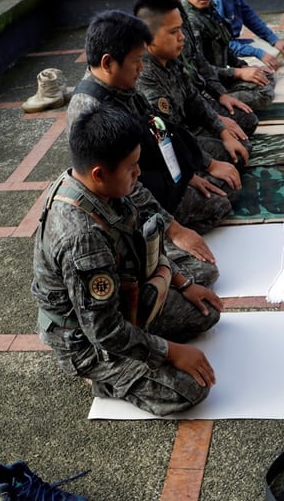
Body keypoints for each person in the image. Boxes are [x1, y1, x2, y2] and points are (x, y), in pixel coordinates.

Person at [32, 103, 221, 416]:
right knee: (192, 388)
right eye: (132, 166)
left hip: (122, 299)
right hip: (86, 341)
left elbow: (139, 240)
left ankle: (144, 339)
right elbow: (103, 331)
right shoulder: (82, 239)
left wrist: (182, 282)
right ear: (99, 173)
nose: (138, 172)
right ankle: (101, 378)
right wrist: (170, 352)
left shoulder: (106, 185)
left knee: (207, 312)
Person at [67, 11, 240, 241]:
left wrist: (186, 172)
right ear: (108, 63)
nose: (141, 68)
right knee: (205, 268)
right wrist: (174, 230)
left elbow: (158, 128)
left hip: (154, 176)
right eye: (136, 61)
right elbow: (126, 188)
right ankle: (157, 247)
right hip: (127, 204)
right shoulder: (91, 110)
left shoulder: (122, 85)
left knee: (227, 189)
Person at [138, 0, 258, 136]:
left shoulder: (180, 14)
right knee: (234, 147)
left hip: (193, 96)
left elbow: (198, 62)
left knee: (247, 122)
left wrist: (220, 95)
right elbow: (165, 123)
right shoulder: (147, 36)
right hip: (173, 118)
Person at [134, 0, 252, 169]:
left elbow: (193, 98)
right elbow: (168, 134)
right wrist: (210, 165)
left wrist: (222, 130)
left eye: (180, 28)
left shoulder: (170, 57)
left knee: (244, 130)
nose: (181, 37)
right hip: (171, 144)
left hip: (187, 127)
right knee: (233, 167)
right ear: (149, 37)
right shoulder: (144, 74)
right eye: (173, 32)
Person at [180, 0, 275, 111]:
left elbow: (223, 43)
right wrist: (237, 73)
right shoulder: (185, 20)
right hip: (204, 88)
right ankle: (214, 108)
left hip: (221, 77)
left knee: (265, 77)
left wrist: (241, 66)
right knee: (264, 93)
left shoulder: (208, 8)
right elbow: (199, 70)